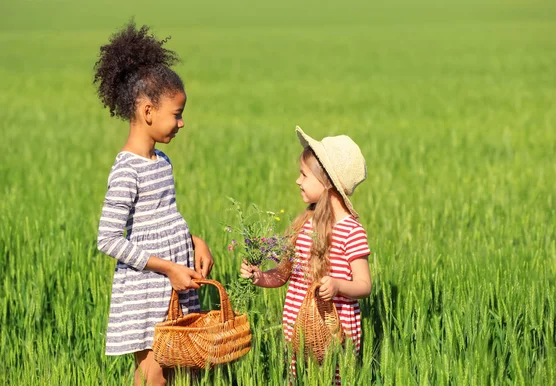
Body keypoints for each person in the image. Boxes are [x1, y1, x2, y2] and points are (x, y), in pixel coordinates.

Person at [94, 21, 214, 386]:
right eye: (176, 114)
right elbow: (109, 238)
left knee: (183, 367)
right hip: (147, 288)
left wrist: (194, 241)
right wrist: (167, 268)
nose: (181, 123)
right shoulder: (127, 169)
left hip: (173, 282)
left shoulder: (161, 162)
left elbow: (165, 216)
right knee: (155, 377)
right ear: (148, 112)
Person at [240, 126, 372, 384]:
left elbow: (364, 285)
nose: (298, 181)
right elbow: (283, 274)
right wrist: (259, 277)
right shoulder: (304, 224)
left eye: (303, 175)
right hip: (297, 334)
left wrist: (337, 285)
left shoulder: (351, 231)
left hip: (335, 336)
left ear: (326, 183)